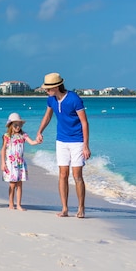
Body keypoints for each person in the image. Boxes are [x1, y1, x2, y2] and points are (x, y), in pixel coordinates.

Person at [36, 73, 90, 218]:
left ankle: (81, 208)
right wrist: (40, 131)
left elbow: (84, 122)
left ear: (56, 87)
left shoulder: (74, 99)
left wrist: (85, 145)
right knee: (62, 175)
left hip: (77, 141)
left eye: (48, 89)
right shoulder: (51, 100)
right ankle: (65, 208)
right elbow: (47, 116)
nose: (46, 91)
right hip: (61, 141)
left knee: (77, 175)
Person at [1, 112, 38, 210]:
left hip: (20, 163)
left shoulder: (23, 135)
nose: (18, 127)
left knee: (20, 184)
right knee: (12, 184)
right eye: (15, 125)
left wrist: (37, 141)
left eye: (19, 125)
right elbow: (3, 149)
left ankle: (18, 204)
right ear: (10, 125)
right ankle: (10, 204)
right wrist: (2, 163)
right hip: (10, 163)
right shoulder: (7, 136)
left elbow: (32, 142)